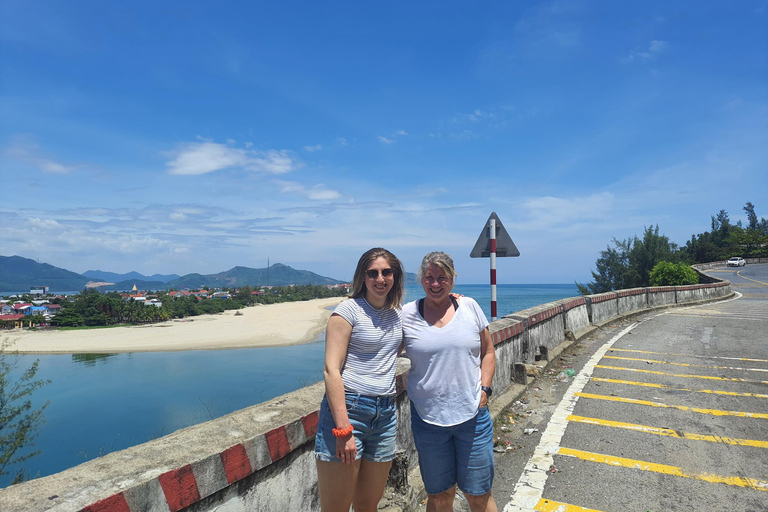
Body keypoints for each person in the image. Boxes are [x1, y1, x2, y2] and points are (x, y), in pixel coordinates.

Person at [402, 251, 498, 512]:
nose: (435, 284)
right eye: (430, 277)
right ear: (421, 279)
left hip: (473, 417)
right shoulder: (406, 315)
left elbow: (488, 351)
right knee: (440, 496)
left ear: (452, 279)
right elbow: (382, 346)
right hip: (428, 420)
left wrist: (485, 390)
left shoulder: (470, 308)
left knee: (479, 495)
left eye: (442, 278)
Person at [314, 247, 405, 512]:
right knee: (336, 508)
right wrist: (343, 429)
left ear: (395, 276)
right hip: (350, 411)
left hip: (386, 414)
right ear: (362, 277)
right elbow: (331, 370)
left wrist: (453, 300)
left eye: (386, 272)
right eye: (373, 273)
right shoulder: (347, 311)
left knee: (368, 505)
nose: (380, 279)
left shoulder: (398, 314)